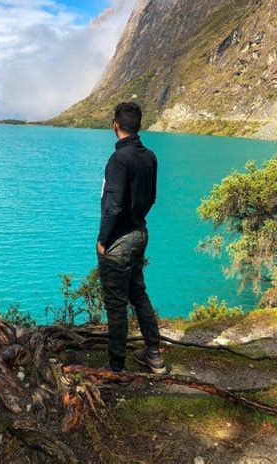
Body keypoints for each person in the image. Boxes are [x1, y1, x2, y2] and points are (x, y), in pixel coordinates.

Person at [96, 102, 166, 374]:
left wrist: (103, 239)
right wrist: (137, 219)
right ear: (139, 126)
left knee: (116, 305)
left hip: (118, 241)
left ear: (115, 124)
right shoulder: (150, 156)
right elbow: (152, 197)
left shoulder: (118, 160)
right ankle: (154, 355)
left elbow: (112, 205)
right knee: (139, 294)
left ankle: (116, 368)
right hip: (140, 233)